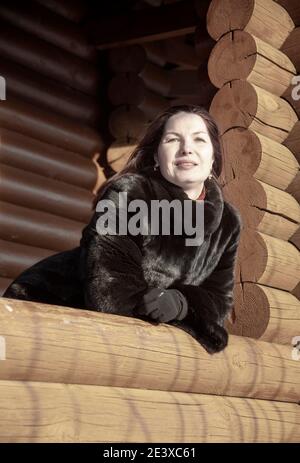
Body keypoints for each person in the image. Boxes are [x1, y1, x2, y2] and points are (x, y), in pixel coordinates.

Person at [3, 105, 242, 354]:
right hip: (47, 311)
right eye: (172, 139)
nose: (186, 149)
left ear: (214, 157)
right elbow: (109, 291)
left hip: (119, 336)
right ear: (156, 157)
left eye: (199, 139)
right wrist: (173, 313)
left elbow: (219, 300)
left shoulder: (229, 222)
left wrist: (182, 303)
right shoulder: (129, 194)